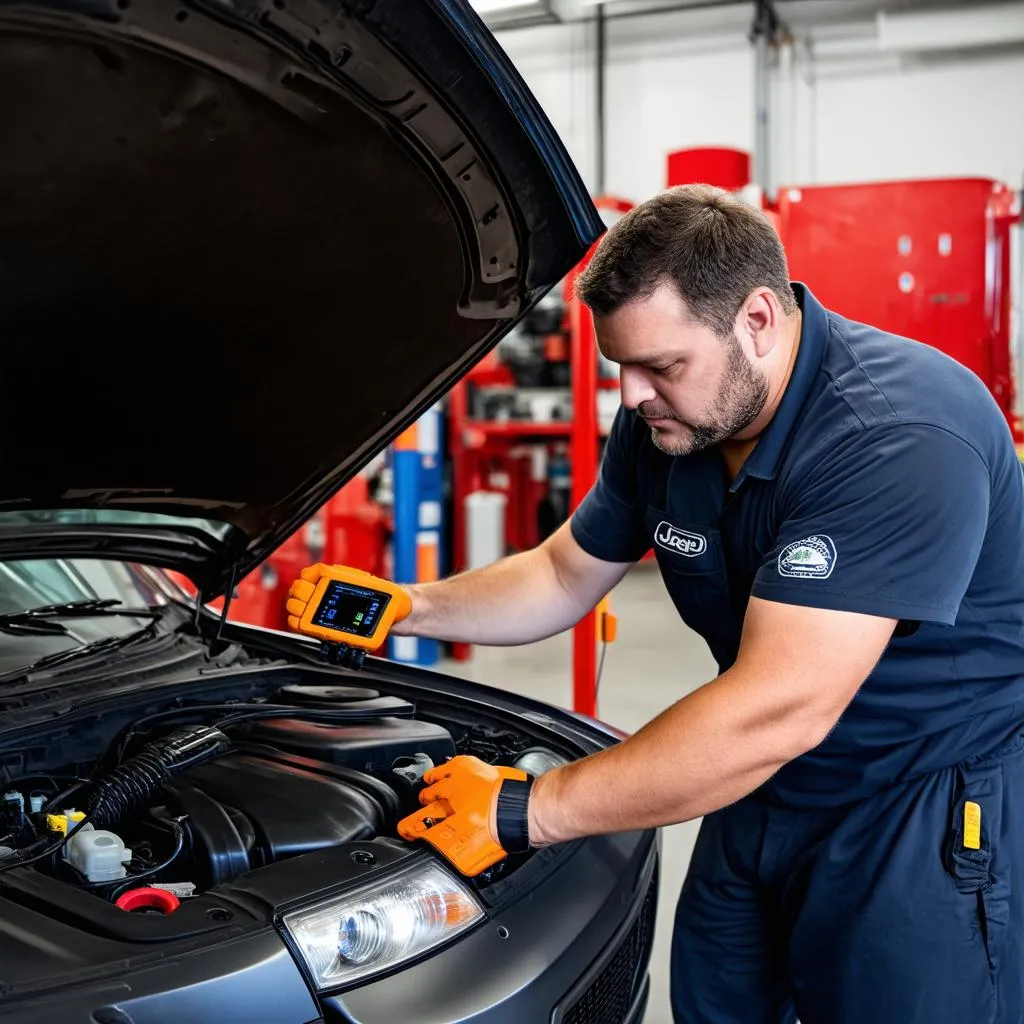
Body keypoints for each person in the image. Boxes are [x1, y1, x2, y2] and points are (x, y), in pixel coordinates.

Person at [299, 184, 1024, 1023]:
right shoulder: (665, 426)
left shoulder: (898, 435)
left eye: (662, 366)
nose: (631, 396)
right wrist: (411, 607)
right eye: (620, 366)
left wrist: (528, 807)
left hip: (911, 806)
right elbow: (564, 572)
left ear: (757, 319)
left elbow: (779, 708)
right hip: (755, 790)